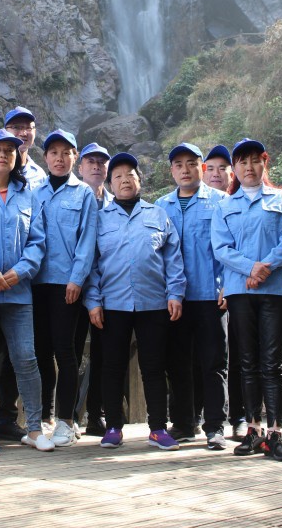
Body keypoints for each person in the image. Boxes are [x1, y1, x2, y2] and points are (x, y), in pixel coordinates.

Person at [84, 152, 186, 450]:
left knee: (154, 367)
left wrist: (175, 294)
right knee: (112, 367)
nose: (125, 180)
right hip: (112, 305)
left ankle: (158, 428)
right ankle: (113, 427)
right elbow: (91, 264)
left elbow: (173, 259)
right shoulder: (100, 219)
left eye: (130, 175)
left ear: (140, 180)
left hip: (154, 303)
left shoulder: (158, 215)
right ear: (110, 185)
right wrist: (93, 301)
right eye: (117, 176)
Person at [211, 138, 282, 462]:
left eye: (255, 160)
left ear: (265, 162)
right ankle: (253, 430)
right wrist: (251, 268)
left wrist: (264, 268)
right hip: (240, 292)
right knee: (247, 362)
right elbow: (221, 248)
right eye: (242, 162)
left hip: (276, 290)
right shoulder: (224, 206)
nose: (249, 167)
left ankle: (275, 434)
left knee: (272, 363)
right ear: (234, 168)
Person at [0, 129, 54, 452]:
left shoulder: (28, 193)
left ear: (17, 156)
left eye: (10, 150)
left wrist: (19, 272)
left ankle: (35, 428)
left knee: (26, 358)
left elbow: (38, 241)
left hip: (18, 293)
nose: (4, 155)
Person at [155, 142, 229, 451]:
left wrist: (227, 284)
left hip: (211, 295)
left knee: (213, 363)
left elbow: (230, 247)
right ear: (171, 170)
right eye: (178, 165)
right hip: (174, 299)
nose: (185, 170)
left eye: (191, 163)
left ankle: (215, 426)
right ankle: (184, 423)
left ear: (203, 168)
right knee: (177, 363)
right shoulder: (160, 206)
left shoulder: (221, 202)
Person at [31, 129, 98, 447]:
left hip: (66, 284)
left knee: (65, 351)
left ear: (75, 157)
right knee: (41, 351)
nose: (59, 158)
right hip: (36, 282)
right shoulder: (35, 193)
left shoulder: (84, 194)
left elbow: (88, 239)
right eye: (54, 153)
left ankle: (67, 421)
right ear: (45, 157)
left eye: (66, 153)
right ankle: (44, 415)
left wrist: (77, 278)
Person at [201, 144, 246, 441]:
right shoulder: (195, 203)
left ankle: (240, 417)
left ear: (233, 173)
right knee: (205, 357)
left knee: (238, 355)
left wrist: (228, 284)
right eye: (211, 168)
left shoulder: (237, 204)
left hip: (236, 291)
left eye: (223, 168)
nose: (216, 174)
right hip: (202, 295)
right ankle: (199, 417)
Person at [74, 142, 112, 437]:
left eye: (101, 162)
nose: (96, 166)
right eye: (91, 162)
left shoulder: (116, 203)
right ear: (80, 167)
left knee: (104, 354)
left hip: (108, 289)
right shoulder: (71, 198)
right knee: (71, 352)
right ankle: (67, 415)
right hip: (75, 287)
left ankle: (97, 414)